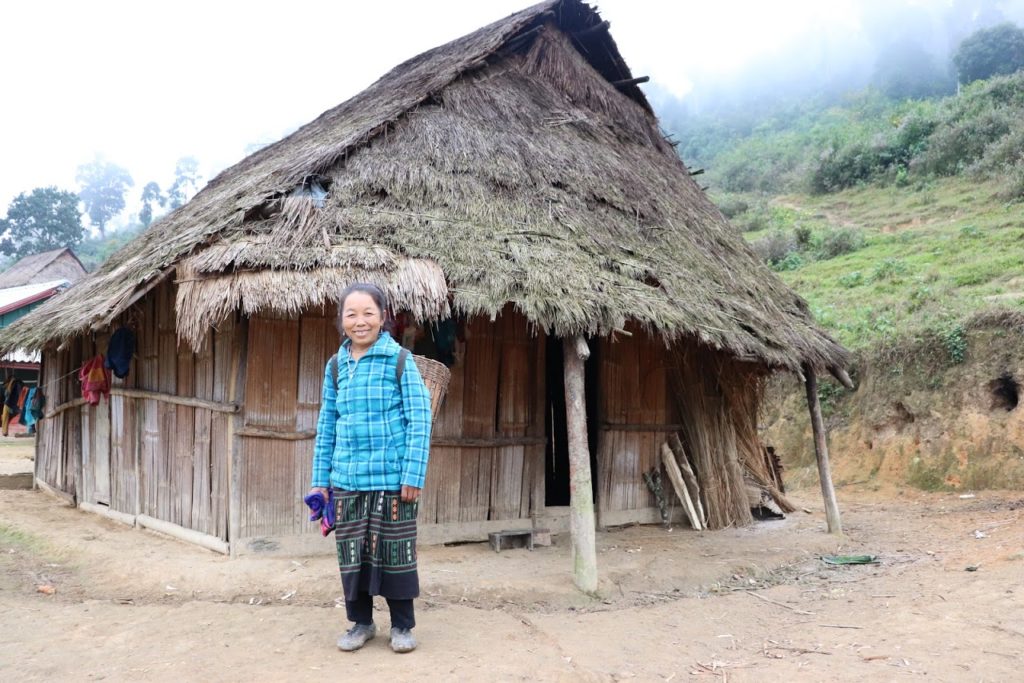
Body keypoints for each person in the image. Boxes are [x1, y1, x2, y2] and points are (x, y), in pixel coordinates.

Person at [308, 283, 432, 654]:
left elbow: (419, 420)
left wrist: (413, 474)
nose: (359, 321)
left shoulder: (399, 361)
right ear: (341, 320)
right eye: (351, 314)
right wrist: (321, 483)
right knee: (352, 556)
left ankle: (402, 626)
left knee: (396, 554)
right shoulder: (336, 367)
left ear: (383, 318)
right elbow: (327, 424)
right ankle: (361, 622)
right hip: (347, 479)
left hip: (392, 480)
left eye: (368, 313)